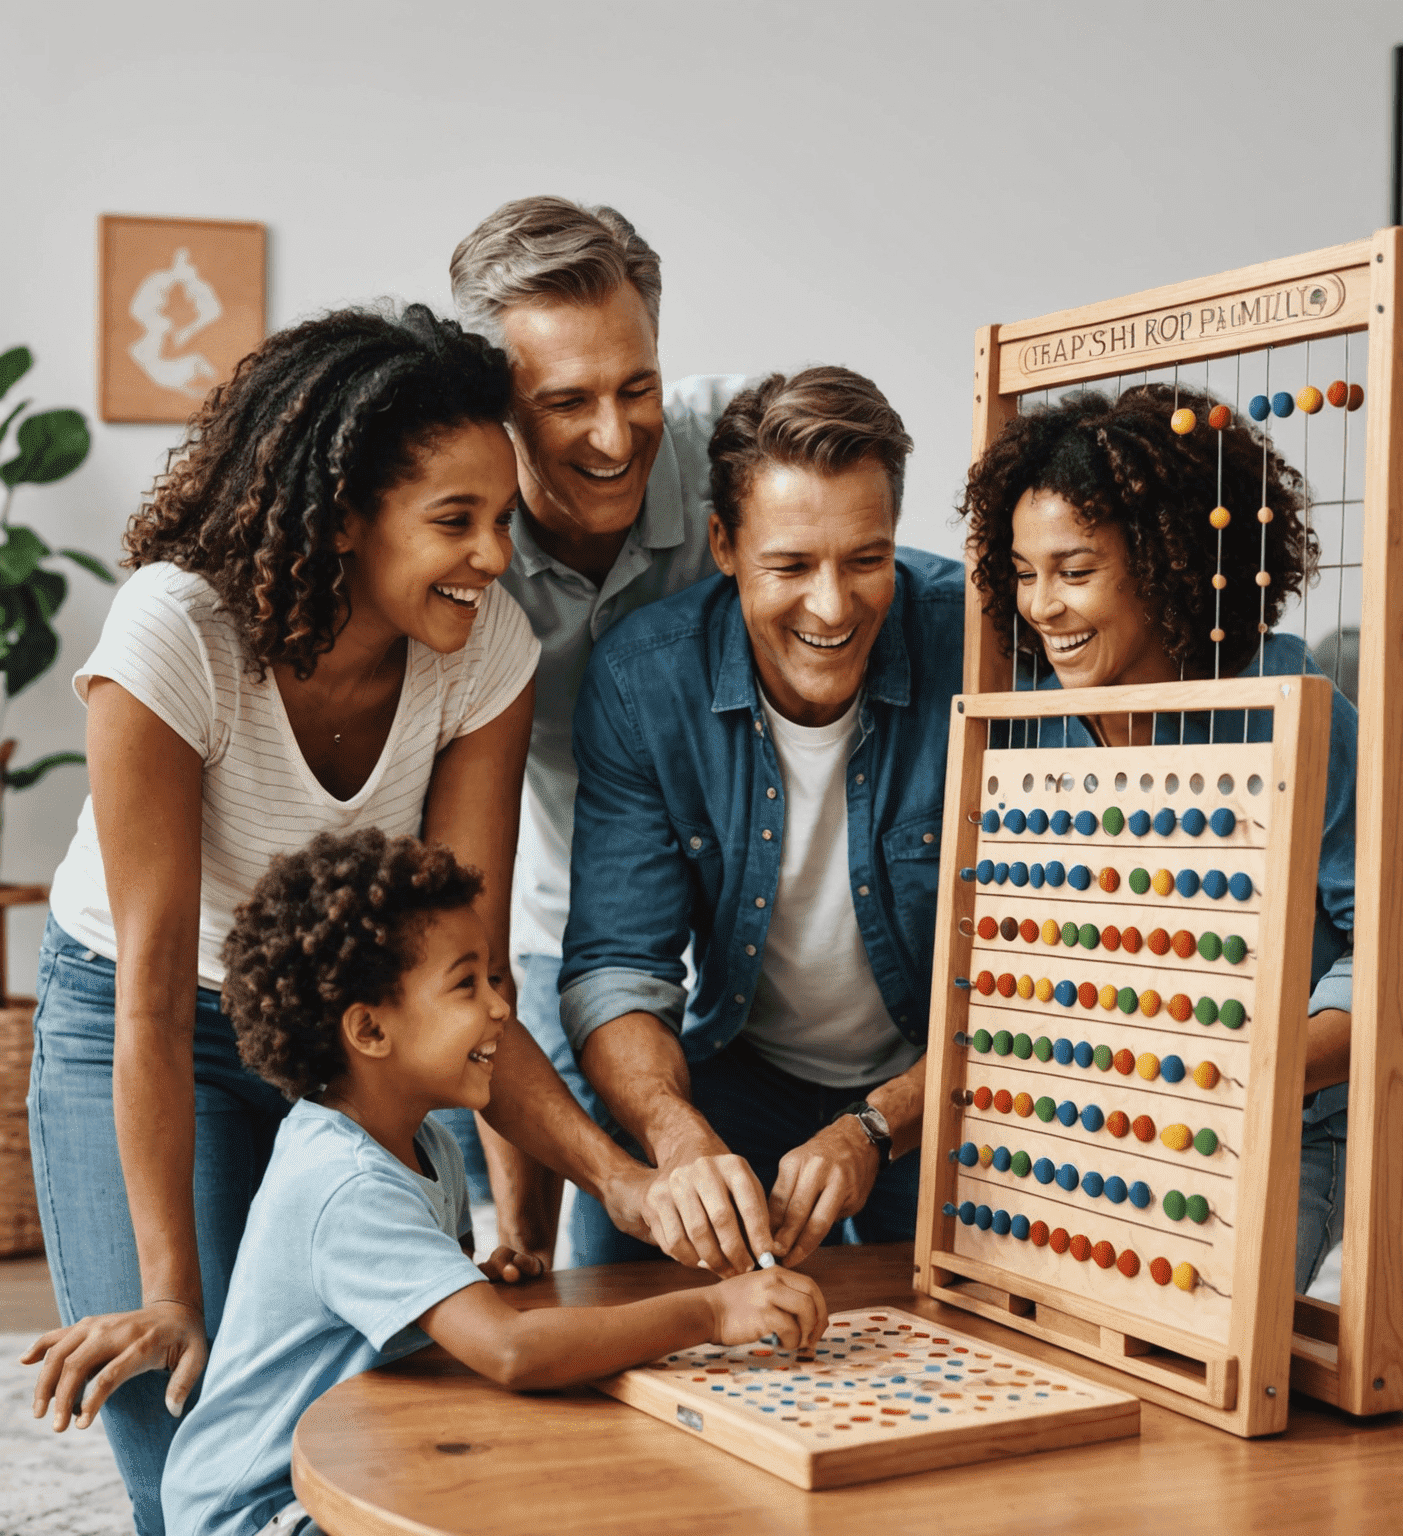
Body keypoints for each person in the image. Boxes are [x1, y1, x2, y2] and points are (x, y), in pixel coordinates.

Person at [24, 307, 655, 1535]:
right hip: (147, 1022)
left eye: (501, 521)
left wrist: (620, 1185)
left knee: (381, 1435)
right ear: (345, 515)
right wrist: (170, 1293)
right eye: (454, 522)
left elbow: (469, 984)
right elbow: (153, 986)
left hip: (360, 1035)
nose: (492, 556)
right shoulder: (178, 633)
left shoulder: (485, 653)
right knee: (192, 1460)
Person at [27, 830, 826, 1536]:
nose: (502, 1011)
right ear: (370, 1029)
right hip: (262, 1509)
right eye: (467, 984)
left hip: (349, 1461)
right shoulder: (343, 1181)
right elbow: (510, 1351)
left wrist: (455, 1287)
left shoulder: (421, 1143)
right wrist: (715, 1309)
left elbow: (387, 1315)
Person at [557, 366, 965, 1273]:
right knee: (616, 1299)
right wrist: (677, 1136)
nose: (832, 605)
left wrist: (876, 1124)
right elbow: (618, 969)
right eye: (790, 565)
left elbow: (1043, 986)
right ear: (723, 544)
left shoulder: (978, 642)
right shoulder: (642, 682)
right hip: (740, 1072)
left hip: (943, 1082)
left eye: (867, 560)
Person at [960, 382, 1354, 1290]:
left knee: (1204, 1338)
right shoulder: (1027, 724)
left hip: (1263, 1122)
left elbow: (1377, 957)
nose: (1042, 607)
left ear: (1169, 562)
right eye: (1023, 572)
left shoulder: (1296, 714)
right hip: (1080, 1120)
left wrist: (1258, 1071)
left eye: (1075, 569)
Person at [447, 196, 748, 1258]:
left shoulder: (742, 455)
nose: (615, 437)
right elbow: (477, 948)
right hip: (568, 920)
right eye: (567, 401)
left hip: (754, 931)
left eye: (639, 387)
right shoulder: (451, 531)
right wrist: (517, 1244)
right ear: (498, 407)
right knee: (565, 1265)